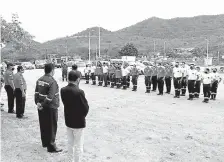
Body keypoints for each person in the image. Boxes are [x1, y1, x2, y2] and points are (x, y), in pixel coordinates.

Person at [61, 71, 89, 162]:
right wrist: (82, 116)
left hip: (68, 120)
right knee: (78, 145)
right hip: (78, 122)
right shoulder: (79, 92)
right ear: (77, 79)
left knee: (70, 143)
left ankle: (69, 160)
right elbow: (85, 108)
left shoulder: (63, 90)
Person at [34, 63, 62, 153]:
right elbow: (50, 97)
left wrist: (38, 103)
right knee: (52, 126)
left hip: (41, 107)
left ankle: (45, 143)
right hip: (51, 107)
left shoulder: (39, 80)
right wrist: (42, 104)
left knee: (44, 124)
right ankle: (51, 146)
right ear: (52, 70)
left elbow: (36, 94)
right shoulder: (52, 82)